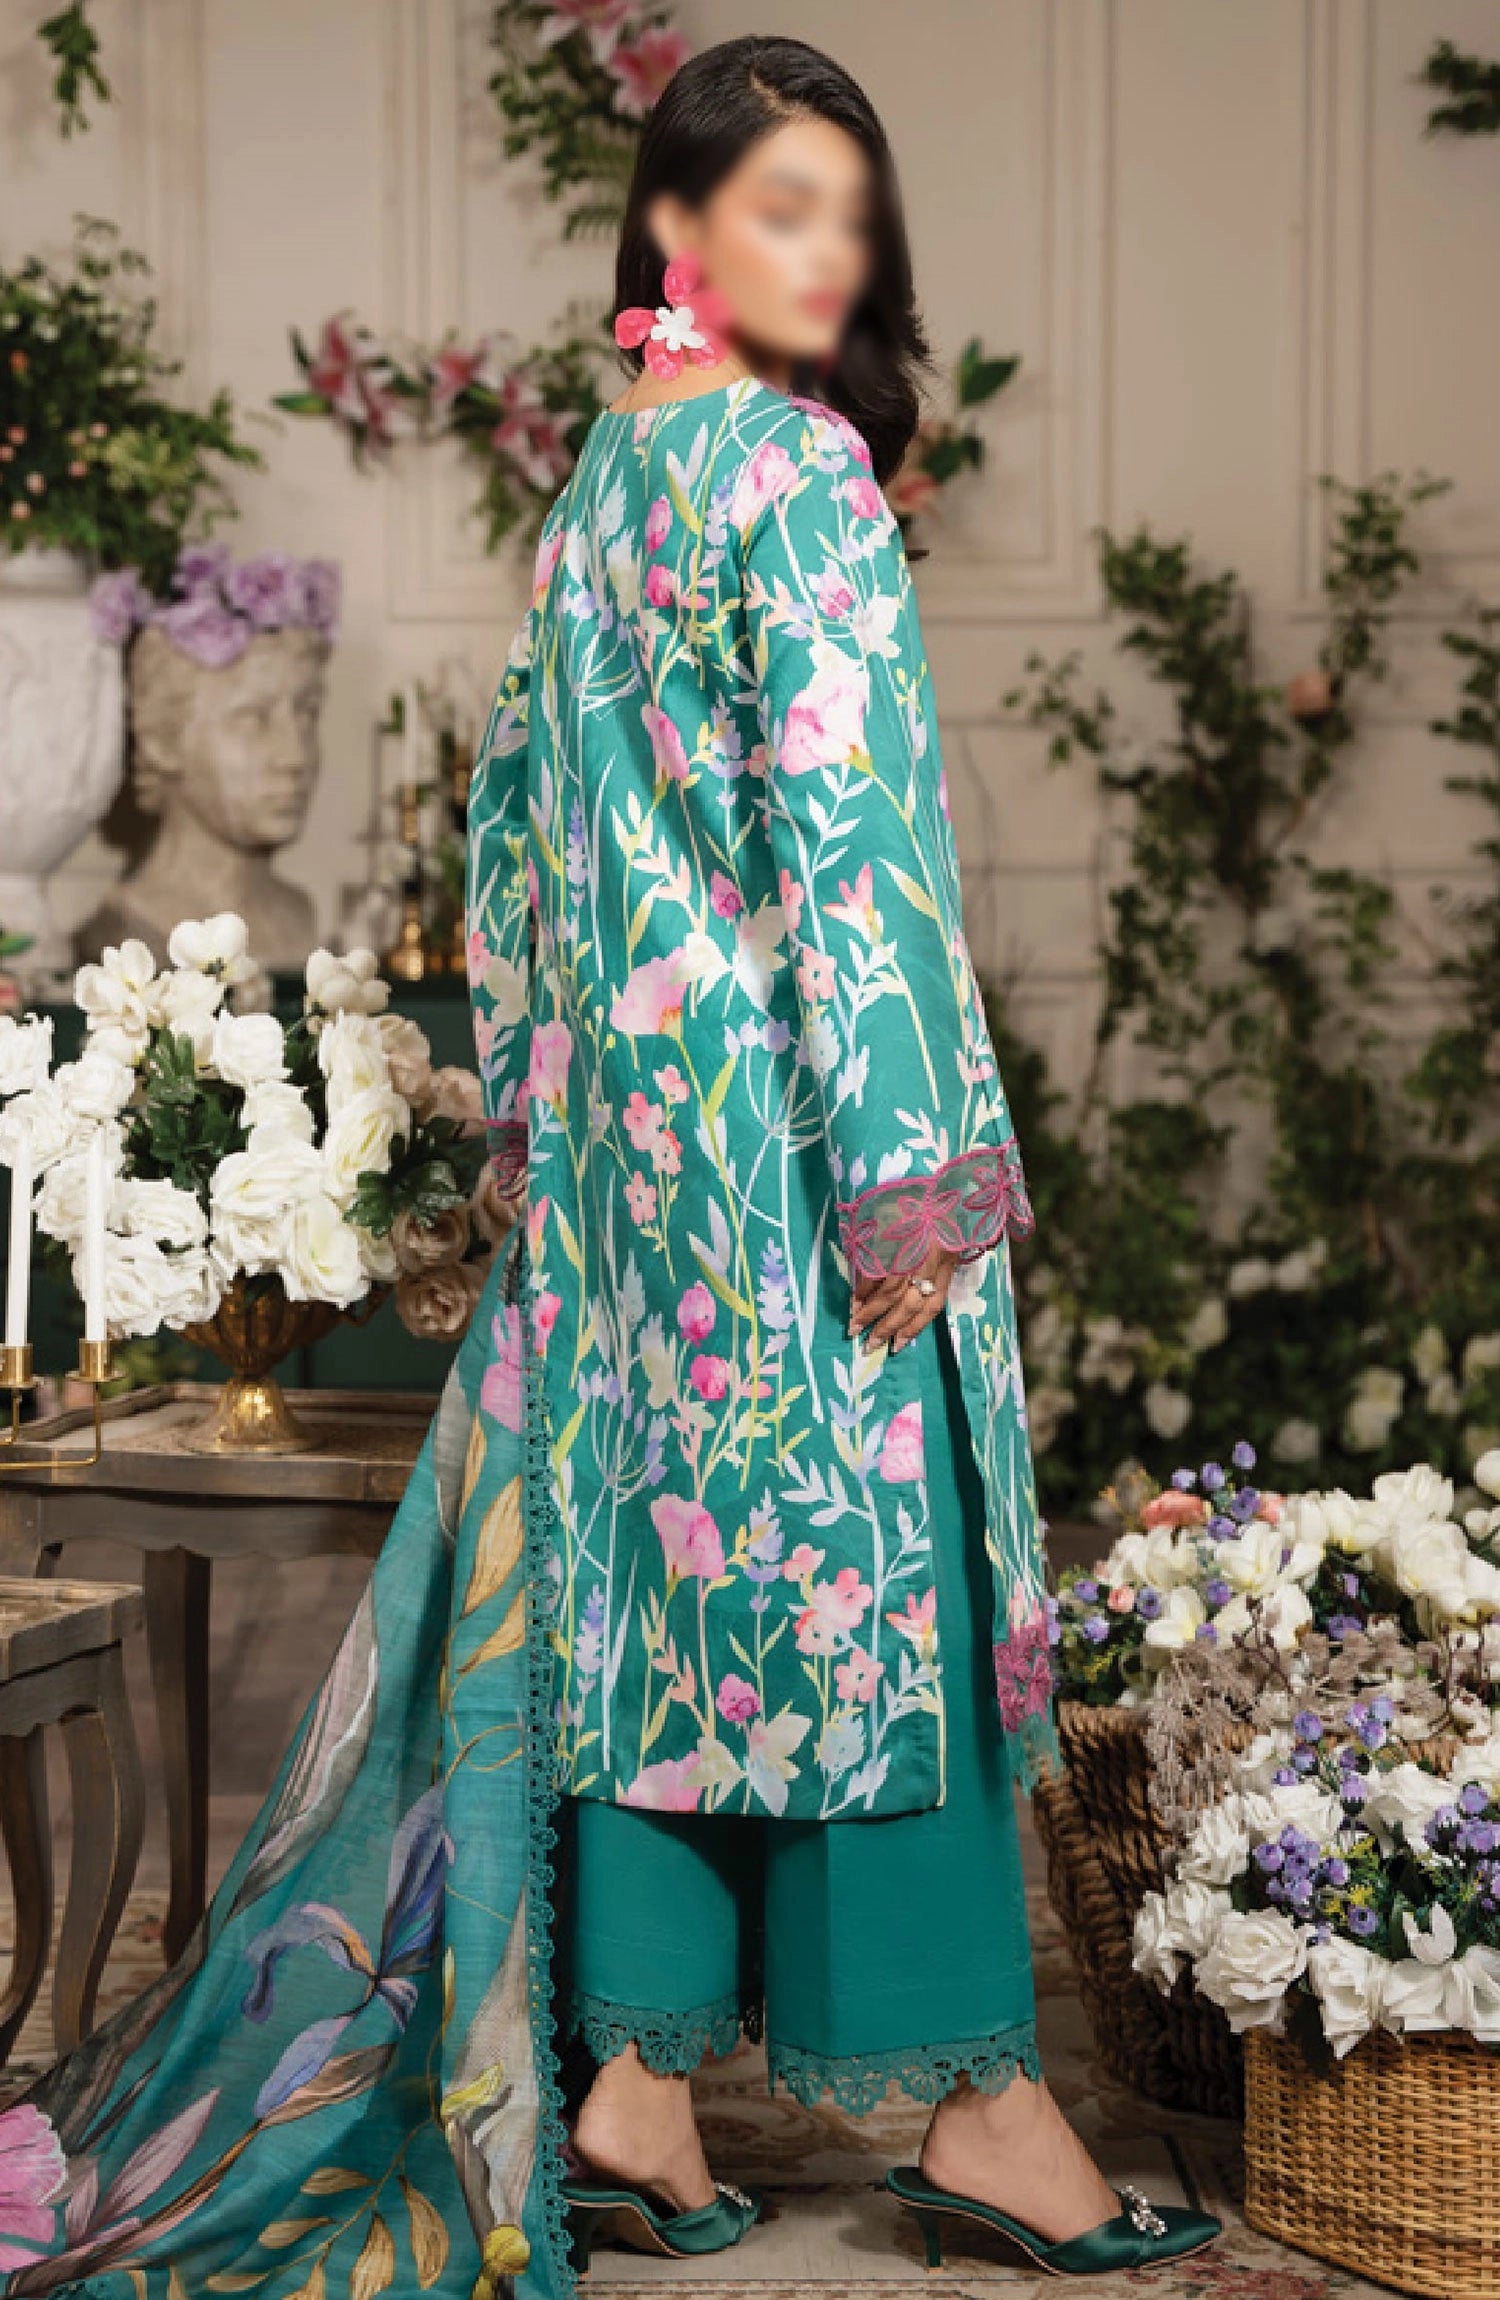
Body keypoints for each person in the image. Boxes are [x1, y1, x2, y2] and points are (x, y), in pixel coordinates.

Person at [0, 35, 1219, 2300]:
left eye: (847, 212)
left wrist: (551, 1126)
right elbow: (856, 845)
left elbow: (516, 847)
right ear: (678, 228)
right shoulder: (801, 472)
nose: (826, 251)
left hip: (635, 1163)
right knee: (884, 1588)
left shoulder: (604, 483)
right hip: (810, 1139)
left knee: (674, 1595)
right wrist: (910, 1176)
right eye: (781, 207)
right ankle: (984, 2108)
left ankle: (637, 2095)